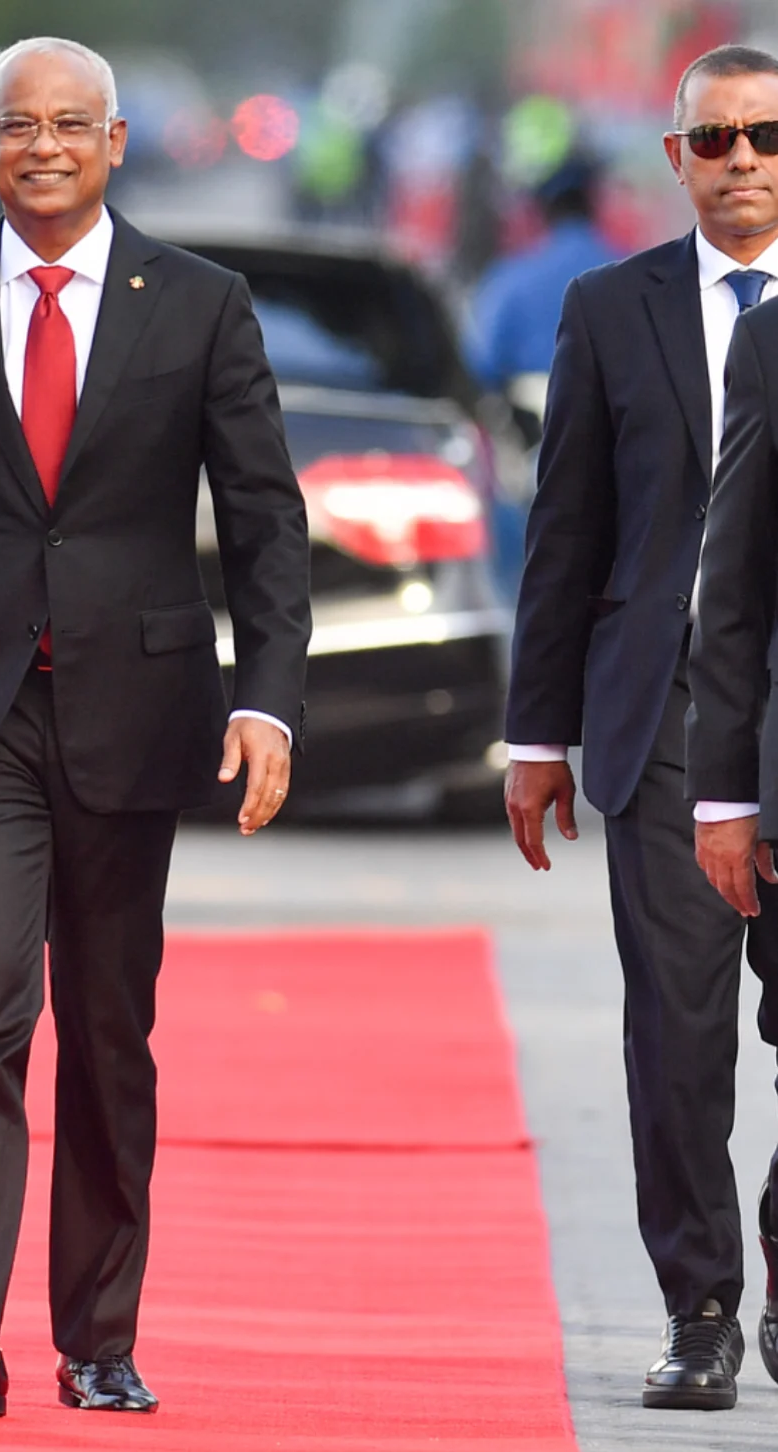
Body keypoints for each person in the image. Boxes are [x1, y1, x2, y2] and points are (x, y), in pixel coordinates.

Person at [0, 37, 310, 1417]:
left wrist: (268, 696)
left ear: (112, 144)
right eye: (15, 126)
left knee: (108, 1030)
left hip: (134, 708)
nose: (42, 146)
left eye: (69, 125)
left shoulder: (202, 305)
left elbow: (266, 521)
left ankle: (98, 1336)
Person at [507, 44, 778, 1413]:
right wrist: (534, 730)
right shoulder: (610, 309)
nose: (741, 161)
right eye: (715, 140)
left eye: (765, 137)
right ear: (673, 160)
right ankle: (701, 1309)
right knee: (677, 1040)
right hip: (662, 716)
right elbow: (564, 533)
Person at [466, 151, 622, 400]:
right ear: (592, 202)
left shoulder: (510, 280)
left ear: (542, 208)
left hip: (535, 430)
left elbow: (483, 366)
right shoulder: (639, 274)